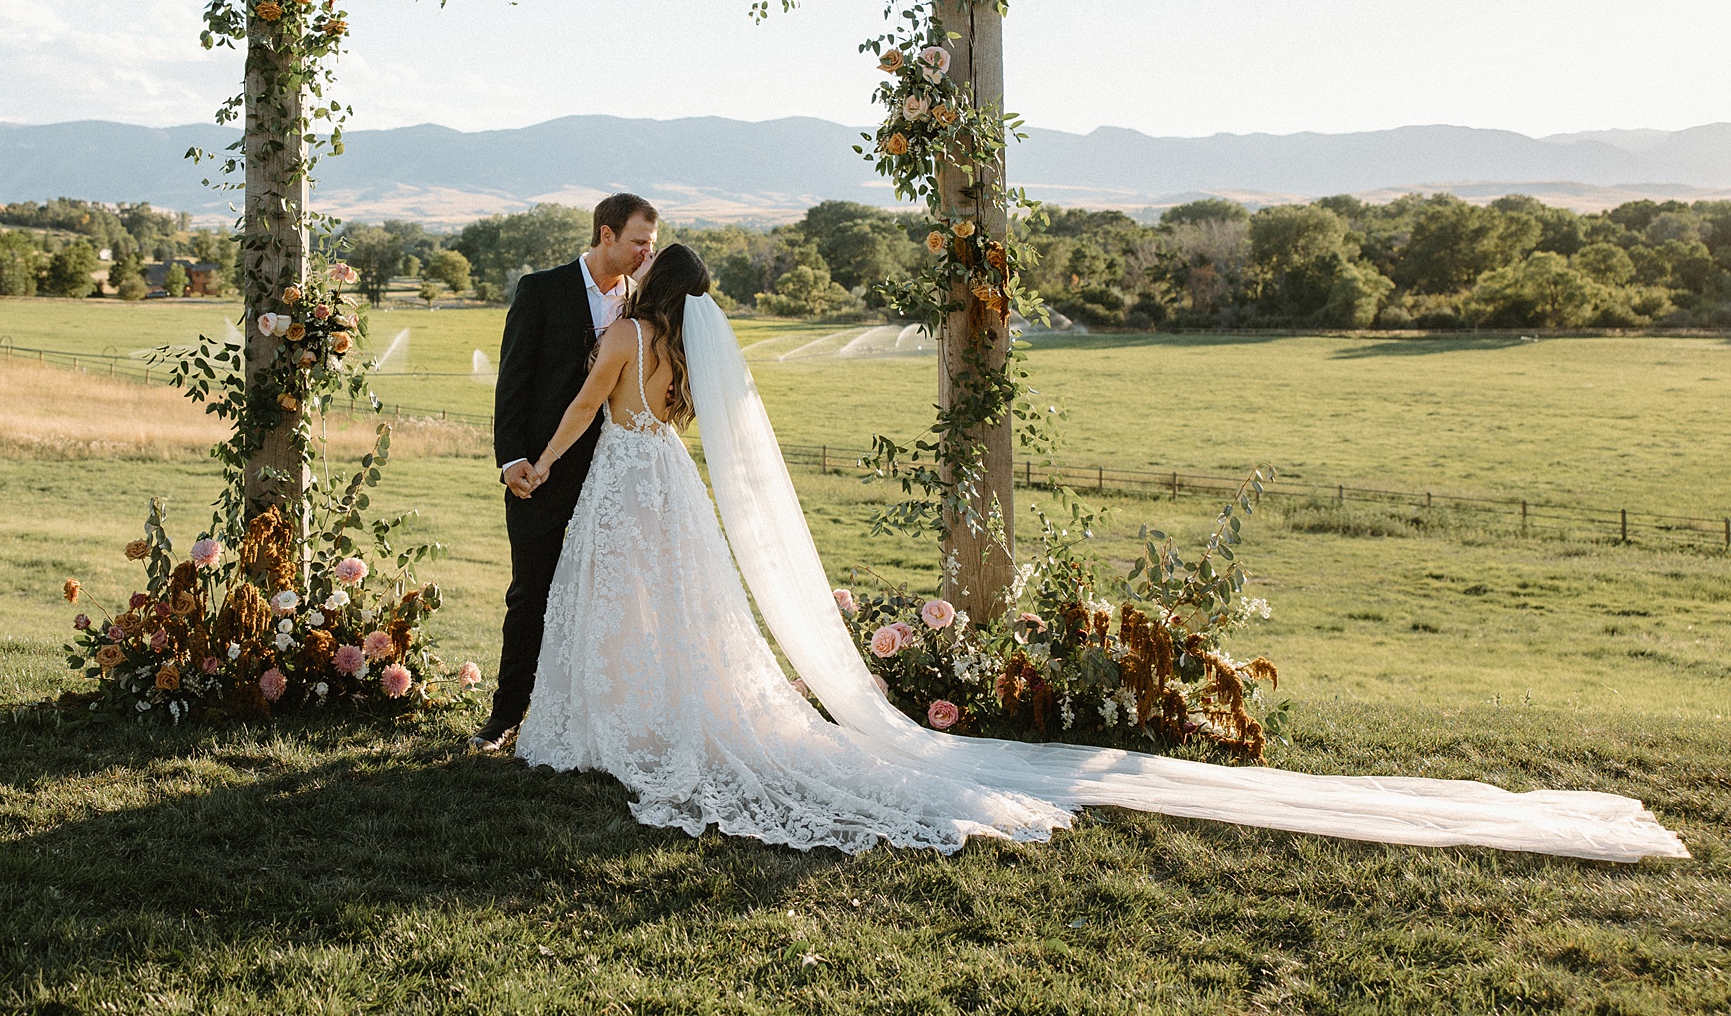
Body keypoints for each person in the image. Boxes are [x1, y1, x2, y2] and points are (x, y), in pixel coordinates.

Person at [509, 245, 1689, 862]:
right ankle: (662, 718)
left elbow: (576, 413)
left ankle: (612, 725)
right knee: (692, 617)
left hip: (619, 486)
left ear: (649, 285)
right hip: (674, 488)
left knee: (615, 606)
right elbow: (681, 427)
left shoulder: (622, 343)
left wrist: (540, 465)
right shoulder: (687, 357)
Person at [474, 193, 657, 750]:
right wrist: (512, 459)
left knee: (610, 595)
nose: (647, 253)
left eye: (652, 244)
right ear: (606, 235)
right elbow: (512, 380)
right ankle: (506, 716)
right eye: (639, 242)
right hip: (540, 471)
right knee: (530, 593)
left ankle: (587, 717)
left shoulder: (644, 303)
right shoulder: (540, 290)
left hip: (613, 471)